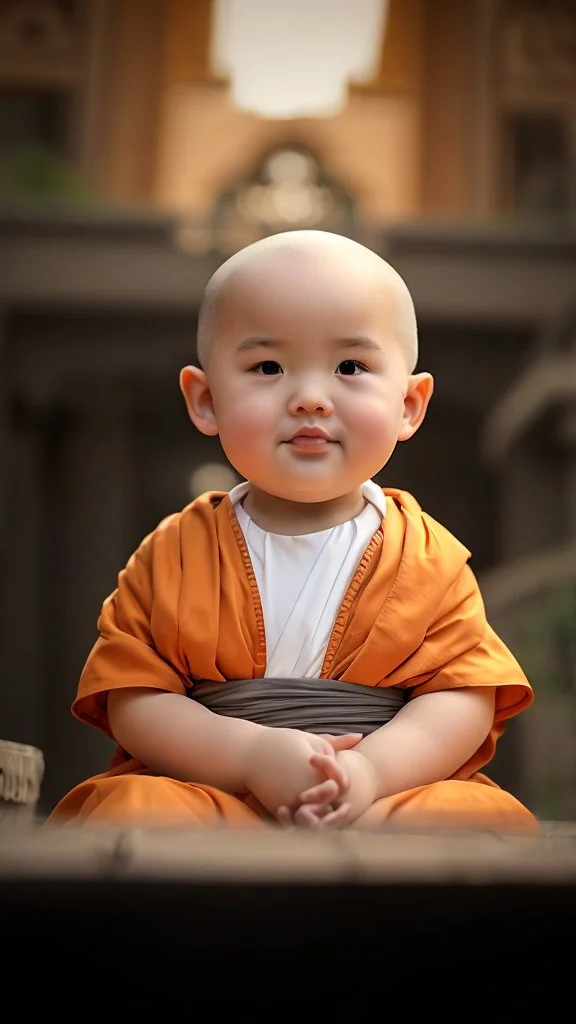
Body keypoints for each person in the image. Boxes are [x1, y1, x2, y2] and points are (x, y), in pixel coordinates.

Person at [48, 230, 537, 832]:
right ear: (205, 400)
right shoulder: (174, 551)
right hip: (216, 791)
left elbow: (463, 696)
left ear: (409, 404)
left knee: (476, 819)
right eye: (268, 366)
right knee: (137, 809)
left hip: (378, 799)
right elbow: (135, 698)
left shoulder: (427, 555)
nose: (310, 398)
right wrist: (248, 757)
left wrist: (371, 775)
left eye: (350, 366)